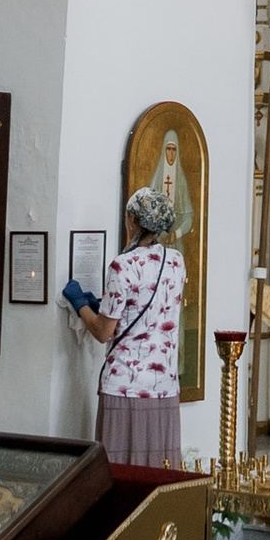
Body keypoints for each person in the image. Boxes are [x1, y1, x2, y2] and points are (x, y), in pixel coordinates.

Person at [75, 185, 186, 468]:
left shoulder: (122, 265)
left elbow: (104, 331)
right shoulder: (176, 261)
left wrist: (81, 305)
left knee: (119, 472)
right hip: (164, 388)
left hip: (124, 387)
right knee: (156, 474)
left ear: (134, 221)